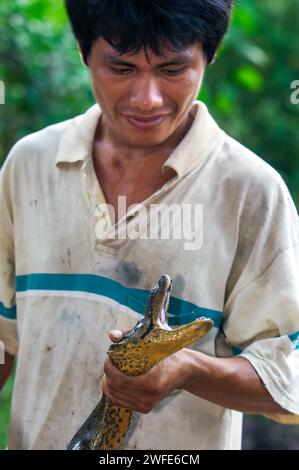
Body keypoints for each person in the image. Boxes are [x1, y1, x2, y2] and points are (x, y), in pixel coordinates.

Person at [0, 0, 298, 451]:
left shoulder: (251, 191)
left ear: (208, 57)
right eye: (121, 68)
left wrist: (187, 369)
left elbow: (287, 375)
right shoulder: (30, 163)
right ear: (84, 52)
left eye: (173, 69)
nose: (147, 98)